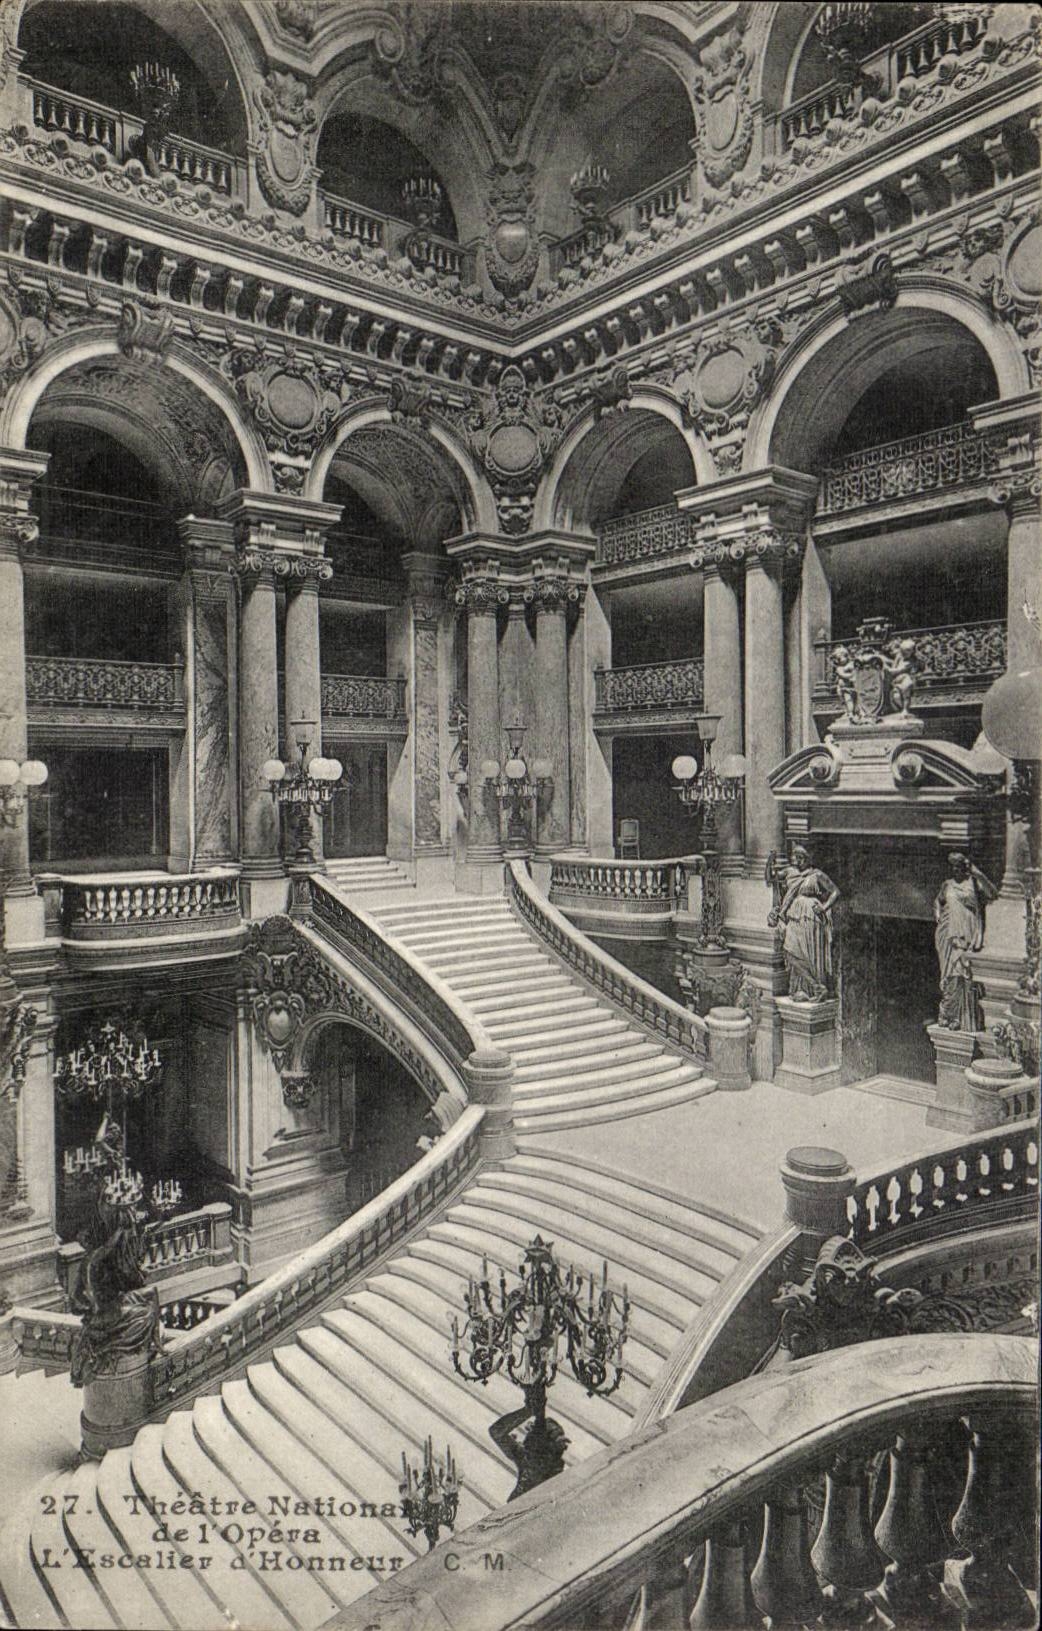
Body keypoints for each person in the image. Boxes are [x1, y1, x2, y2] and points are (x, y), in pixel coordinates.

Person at [768, 846, 840, 1003]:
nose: (797, 860)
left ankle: (811, 989)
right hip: (794, 915)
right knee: (790, 950)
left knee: (808, 952)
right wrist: (769, 862)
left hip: (810, 916)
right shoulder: (790, 872)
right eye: (795, 857)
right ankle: (816, 987)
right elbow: (771, 878)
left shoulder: (816, 874)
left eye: (800, 857)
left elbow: (835, 891)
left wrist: (824, 907)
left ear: (808, 858)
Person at [934, 853, 997, 1029]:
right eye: (953, 866)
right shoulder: (947, 885)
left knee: (962, 973)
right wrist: (938, 914)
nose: (955, 869)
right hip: (948, 934)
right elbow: (938, 902)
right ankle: (949, 1014)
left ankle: (959, 1018)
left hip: (966, 936)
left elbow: (992, 893)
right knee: (949, 975)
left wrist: (978, 874)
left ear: (965, 867)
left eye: (959, 866)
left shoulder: (973, 883)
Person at [489, 1385, 570, 1501]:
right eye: (528, 1448)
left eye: (533, 1450)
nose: (527, 1452)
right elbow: (496, 1431)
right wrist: (527, 1411)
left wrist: (532, 1412)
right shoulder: (526, 1458)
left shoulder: (555, 1480)